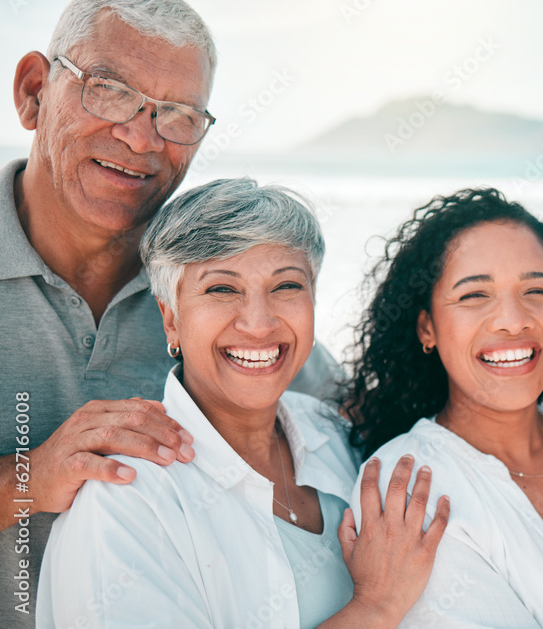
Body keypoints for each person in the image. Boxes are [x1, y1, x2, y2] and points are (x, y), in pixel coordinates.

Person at [0, 0, 337, 624]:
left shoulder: (213, 290)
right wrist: (27, 478)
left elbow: (350, 409)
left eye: (177, 114)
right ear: (33, 91)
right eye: (109, 89)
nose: (141, 136)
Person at [37, 178, 449, 627]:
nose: (258, 323)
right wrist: (377, 606)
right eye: (222, 289)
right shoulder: (126, 502)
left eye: (286, 286)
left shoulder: (338, 438)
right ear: (170, 319)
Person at [345, 188, 543, 627]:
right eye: (474, 295)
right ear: (427, 327)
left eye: (536, 290)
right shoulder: (404, 489)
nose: (513, 319)